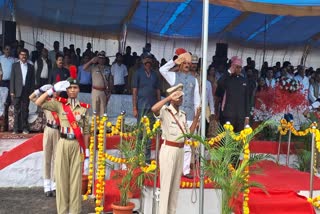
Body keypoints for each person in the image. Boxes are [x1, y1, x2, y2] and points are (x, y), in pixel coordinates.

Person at [35, 71, 90, 214]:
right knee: (61, 179)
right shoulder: (59, 105)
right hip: (63, 142)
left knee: (75, 180)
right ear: (66, 89)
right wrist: (52, 90)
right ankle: (63, 210)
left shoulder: (84, 108)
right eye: (70, 87)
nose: (72, 90)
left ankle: (74, 211)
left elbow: (86, 131)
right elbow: (38, 102)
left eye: (75, 87)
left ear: (79, 89)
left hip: (77, 145)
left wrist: (87, 151)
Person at [151, 83, 200, 214]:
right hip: (169, 150)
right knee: (166, 186)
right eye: (178, 97)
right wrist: (167, 99)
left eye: (181, 97)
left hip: (180, 150)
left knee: (174, 187)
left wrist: (196, 118)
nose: (181, 99)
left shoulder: (183, 114)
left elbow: (188, 134)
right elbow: (153, 109)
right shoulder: (165, 111)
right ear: (172, 98)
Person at [159, 50, 200, 179]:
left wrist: (196, 117)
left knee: (187, 143)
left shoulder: (194, 80)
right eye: (185, 63)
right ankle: (170, 168)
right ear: (181, 64)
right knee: (172, 142)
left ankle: (186, 170)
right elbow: (162, 70)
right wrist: (174, 61)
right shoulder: (174, 76)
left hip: (188, 114)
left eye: (189, 63)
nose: (187, 65)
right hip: (175, 115)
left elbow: (196, 99)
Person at [29, 84, 60, 197]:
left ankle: (55, 185)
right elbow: (31, 98)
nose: (56, 93)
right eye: (54, 91)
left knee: (57, 159)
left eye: (58, 91)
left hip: (58, 131)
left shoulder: (62, 103)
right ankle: (47, 185)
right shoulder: (46, 102)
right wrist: (40, 90)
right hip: (48, 129)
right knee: (47, 157)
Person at [132, 55, 161, 163]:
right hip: (141, 107)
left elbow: (158, 91)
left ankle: (147, 158)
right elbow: (134, 91)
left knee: (149, 133)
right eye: (146, 59)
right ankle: (137, 156)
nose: (148, 61)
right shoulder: (137, 73)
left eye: (149, 59)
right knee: (140, 132)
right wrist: (134, 108)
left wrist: (159, 106)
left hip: (152, 107)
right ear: (142, 61)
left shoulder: (155, 74)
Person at [215, 56, 250, 132]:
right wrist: (229, 71)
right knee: (228, 140)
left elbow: (247, 100)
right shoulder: (227, 79)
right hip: (228, 115)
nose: (238, 69)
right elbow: (219, 83)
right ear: (233, 67)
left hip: (241, 115)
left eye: (240, 67)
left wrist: (247, 117)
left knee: (239, 140)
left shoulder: (244, 80)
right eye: (236, 67)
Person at [10, 48, 35, 134]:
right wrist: (12, 91)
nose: (23, 56)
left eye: (25, 55)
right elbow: (12, 79)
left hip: (26, 91)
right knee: (16, 110)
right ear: (19, 56)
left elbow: (32, 81)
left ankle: (25, 128)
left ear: (27, 56)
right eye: (22, 54)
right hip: (17, 90)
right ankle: (15, 129)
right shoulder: (15, 65)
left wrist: (32, 92)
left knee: (25, 110)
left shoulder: (31, 67)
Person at [83, 51, 113, 116]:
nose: (101, 60)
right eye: (99, 58)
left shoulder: (108, 68)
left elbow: (110, 80)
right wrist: (91, 61)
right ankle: (95, 125)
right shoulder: (93, 67)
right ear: (97, 59)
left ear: (105, 59)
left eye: (103, 58)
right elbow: (84, 68)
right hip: (95, 91)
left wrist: (110, 91)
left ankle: (102, 125)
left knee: (103, 111)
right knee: (95, 111)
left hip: (104, 91)